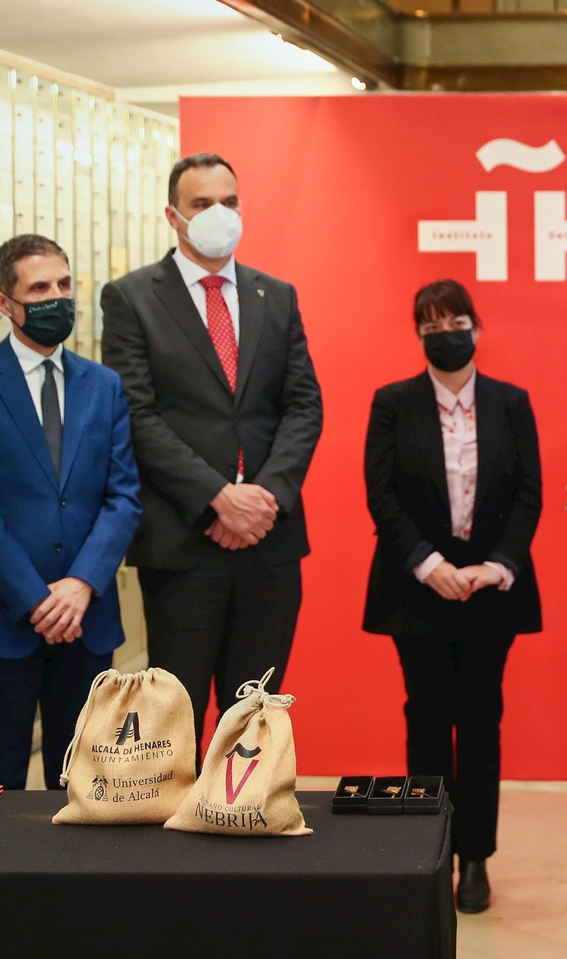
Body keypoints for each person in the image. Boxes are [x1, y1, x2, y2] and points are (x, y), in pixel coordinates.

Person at [100, 153, 323, 744]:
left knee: (257, 716)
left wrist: (264, 499)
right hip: (184, 541)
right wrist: (217, 499)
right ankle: (182, 835)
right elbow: (136, 414)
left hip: (268, 542)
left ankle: (248, 820)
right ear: (174, 216)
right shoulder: (132, 298)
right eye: (202, 204)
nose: (218, 214)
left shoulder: (274, 295)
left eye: (229, 202)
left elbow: (304, 406)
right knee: (178, 713)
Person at [0, 234, 141, 791]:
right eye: (40, 288)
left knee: (83, 779)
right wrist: (36, 598)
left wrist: (80, 585)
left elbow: (123, 496)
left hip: (87, 619)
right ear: (5, 302)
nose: (58, 298)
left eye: (65, 285)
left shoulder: (104, 385)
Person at [362, 279, 542, 915]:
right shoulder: (393, 403)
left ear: (476, 326)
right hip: (418, 591)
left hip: (492, 591)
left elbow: (529, 494)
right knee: (428, 720)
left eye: (456, 320)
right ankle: (430, 850)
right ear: (418, 334)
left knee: (482, 723)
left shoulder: (511, 403)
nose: (446, 332)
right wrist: (428, 563)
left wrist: (499, 565)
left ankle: (475, 859)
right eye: (431, 324)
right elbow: (380, 495)